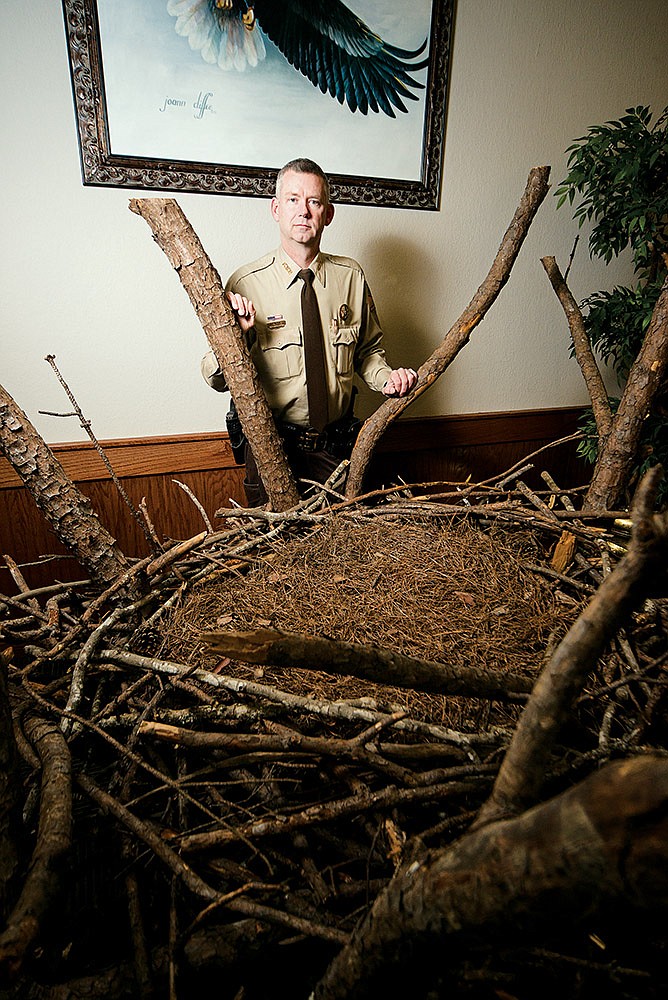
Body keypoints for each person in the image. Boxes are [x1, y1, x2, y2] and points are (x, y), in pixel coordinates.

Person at [201, 157, 418, 506]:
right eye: (292, 199)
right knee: (275, 554)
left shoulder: (351, 277)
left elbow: (367, 353)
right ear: (275, 209)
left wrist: (389, 379)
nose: (303, 210)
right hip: (273, 451)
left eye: (314, 201)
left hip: (337, 447)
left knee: (345, 546)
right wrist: (240, 338)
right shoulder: (245, 283)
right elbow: (215, 378)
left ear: (327, 214)